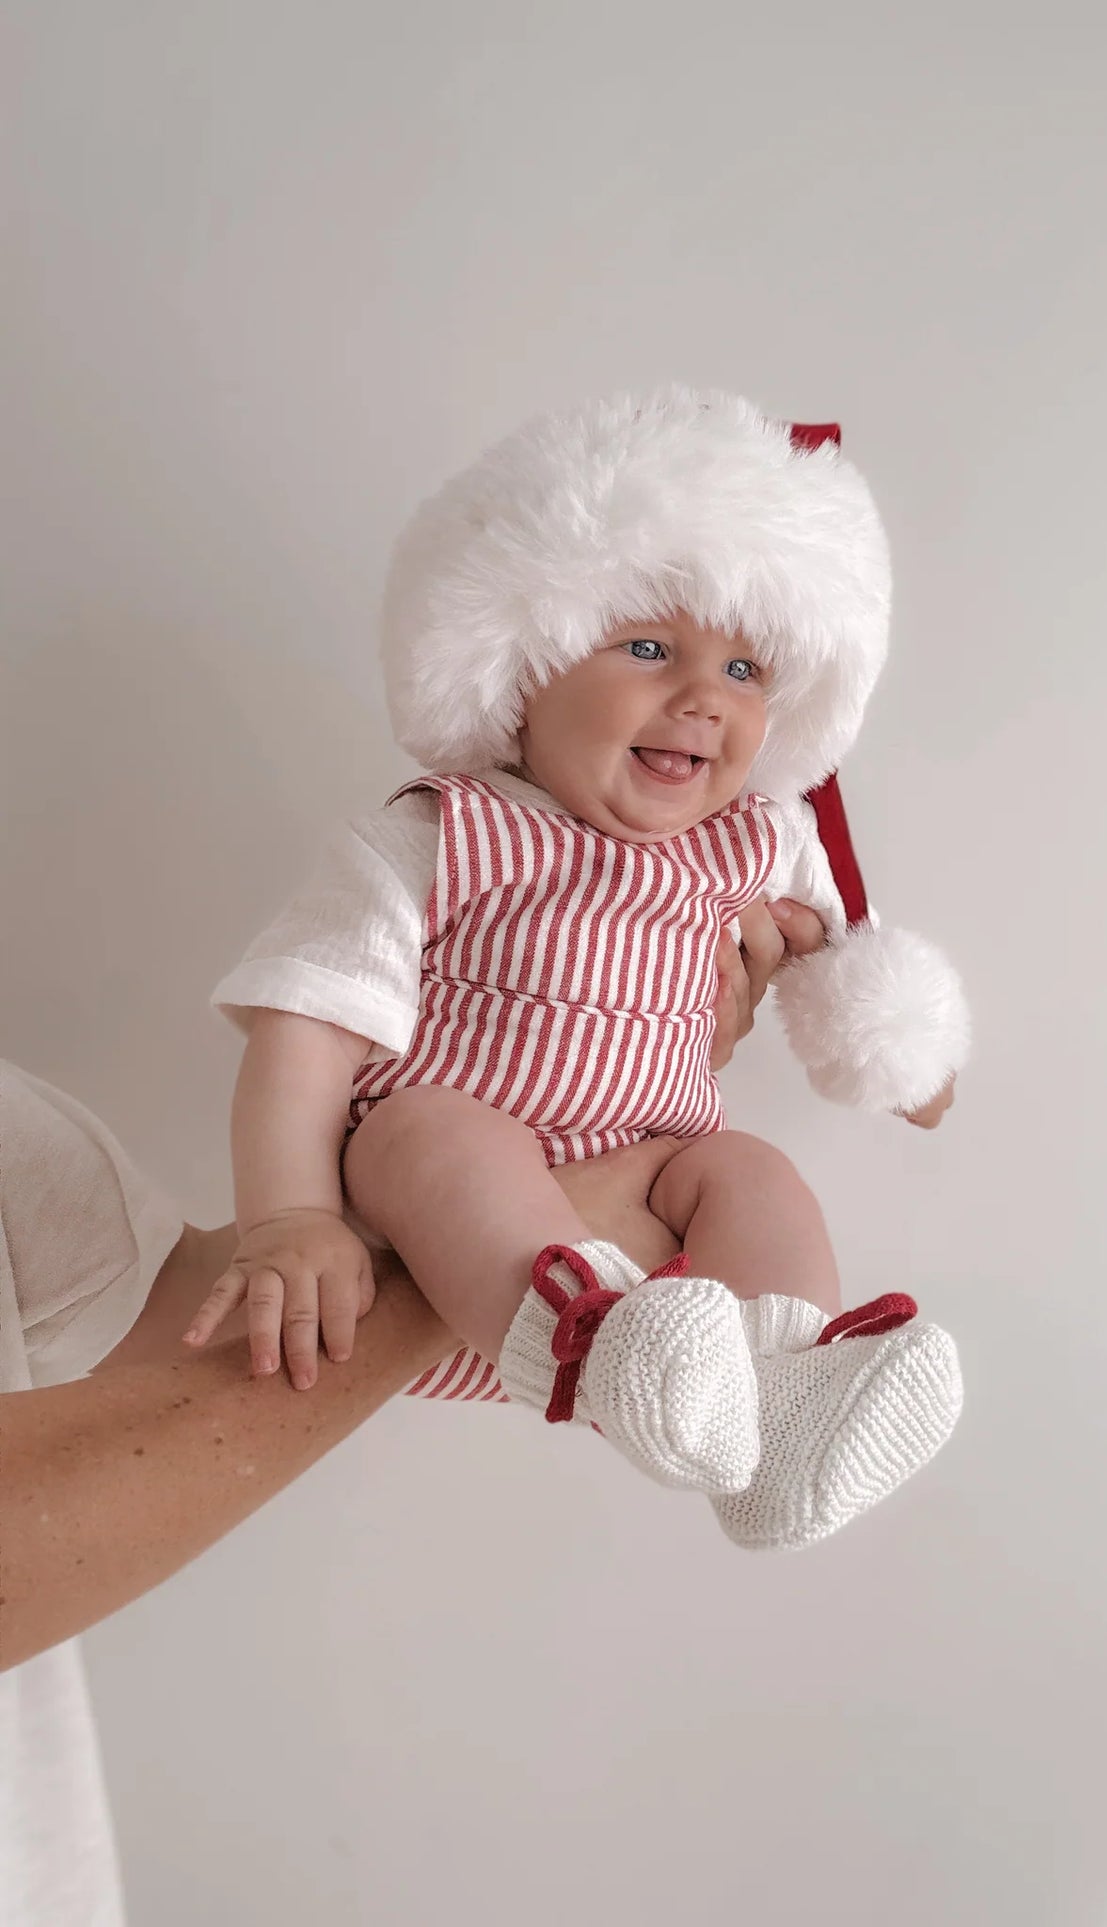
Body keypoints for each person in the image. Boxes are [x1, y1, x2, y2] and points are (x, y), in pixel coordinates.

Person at [191, 389, 971, 1552]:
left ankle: (775, 1413)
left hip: (651, 1202)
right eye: (649, 647)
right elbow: (306, 1030)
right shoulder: (441, 831)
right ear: (521, 665)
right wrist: (291, 1219)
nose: (706, 696)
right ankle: (598, 1344)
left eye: (748, 667)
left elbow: (840, 954)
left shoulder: (755, 840)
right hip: (439, 1232)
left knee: (745, 1169)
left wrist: (903, 1055)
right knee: (423, 1129)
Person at [0, 902, 809, 1924]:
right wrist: (486, 1237)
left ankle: (795, 1415)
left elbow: (159, 1328)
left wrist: (608, 1037)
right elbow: (307, 1004)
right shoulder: (441, 840)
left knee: (755, 1187)